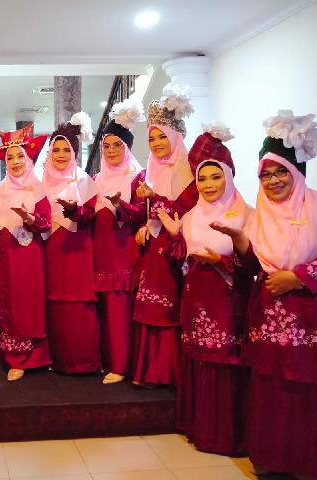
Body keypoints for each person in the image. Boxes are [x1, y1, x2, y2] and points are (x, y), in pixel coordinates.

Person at [212, 111, 317, 477]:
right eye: (265, 174)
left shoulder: (316, 207)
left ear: (296, 172)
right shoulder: (259, 216)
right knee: (268, 387)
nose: (273, 181)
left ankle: (303, 461)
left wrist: (298, 277)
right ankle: (269, 459)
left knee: (304, 388)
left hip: (308, 318)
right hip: (267, 314)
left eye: (280, 172)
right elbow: (253, 267)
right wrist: (240, 242)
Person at [157, 123, 252, 455]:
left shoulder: (246, 215)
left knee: (224, 364)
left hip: (228, 304)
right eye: (202, 178)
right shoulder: (192, 215)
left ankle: (224, 435)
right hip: (195, 301)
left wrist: (221, 261)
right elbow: (181, 258)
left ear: (229, 177)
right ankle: (199, 428)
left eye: (216, 177)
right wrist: (174, 236)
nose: (208, 185)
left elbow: (254, 265)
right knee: (197, 361)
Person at [110, 85, 197, 387]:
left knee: (170, 310)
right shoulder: (147, 173)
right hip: (152, 250)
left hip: (178, 251)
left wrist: (155, 200)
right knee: (150, 307)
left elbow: (187, 210)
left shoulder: (192, 174)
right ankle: (149, 371)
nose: (157, 143)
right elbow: (142, 211)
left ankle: (169, 373)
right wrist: (126, 211)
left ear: (175, 137)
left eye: (162, 136)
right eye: (152, 138)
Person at [0, 124, 52, 381]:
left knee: (29, 302)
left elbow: (46, 222)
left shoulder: (38, 187)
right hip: (6, 254)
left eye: (20, 156)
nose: (15, 162)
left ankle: (35, 358)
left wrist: (29, 218)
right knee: (9, 302)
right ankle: (14, 359)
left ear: (28, 158)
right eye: (10, 157)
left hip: (30, 254)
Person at [42, 113, 101, 374]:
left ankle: (84, 362)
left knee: (79, 303)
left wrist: (75, 211)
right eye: (57, 150)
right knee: (54, 302)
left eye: (67, 150)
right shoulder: (40, 182)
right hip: (50, 249)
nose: (61, 155)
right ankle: (57, 360)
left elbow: (90, 215)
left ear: (75, 152)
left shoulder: (84, 180)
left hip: (77, 249)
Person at [92, 98, 145, 384]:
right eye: (107, 146)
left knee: (120, 310)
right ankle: (109, 361)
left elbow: (142, 213)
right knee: (104, 311)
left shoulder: (138, 177)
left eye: (117, 145)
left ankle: (121, 365)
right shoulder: (97, 179)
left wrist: (120, 206)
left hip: (123, 252)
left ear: (127, 148)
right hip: (100, 253)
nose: (111, 151)